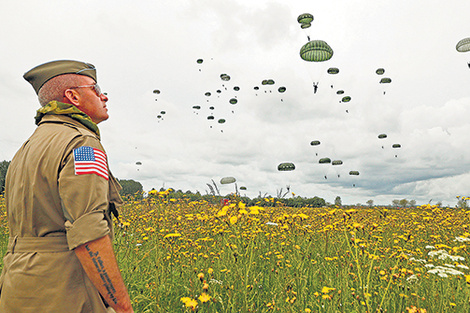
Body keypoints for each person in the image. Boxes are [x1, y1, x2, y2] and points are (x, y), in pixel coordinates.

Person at [0, 60, 134, 313]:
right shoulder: (82, 145)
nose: (104, 96)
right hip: (65, 292)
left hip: (17, 286)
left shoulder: (27, 148)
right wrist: (122, 306)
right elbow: (88, 232)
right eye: (95, 88)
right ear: (72, 96)